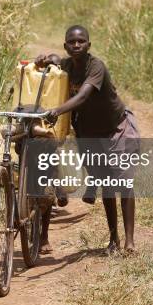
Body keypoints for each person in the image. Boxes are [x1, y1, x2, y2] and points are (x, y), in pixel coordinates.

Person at [35, 25, 140, 255]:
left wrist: (57, 110)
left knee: (124, 184)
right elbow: (55, 61)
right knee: (109, 188)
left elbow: (82, 96)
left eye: (81, 41)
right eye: (71, 42)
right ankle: (114, 239)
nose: (76, 45)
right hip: (91, 135)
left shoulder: (96, 67)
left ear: (88, 45)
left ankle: (130, 242)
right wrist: (45, 60)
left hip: (116, 129)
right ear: (66, 46)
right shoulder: (68, 66)